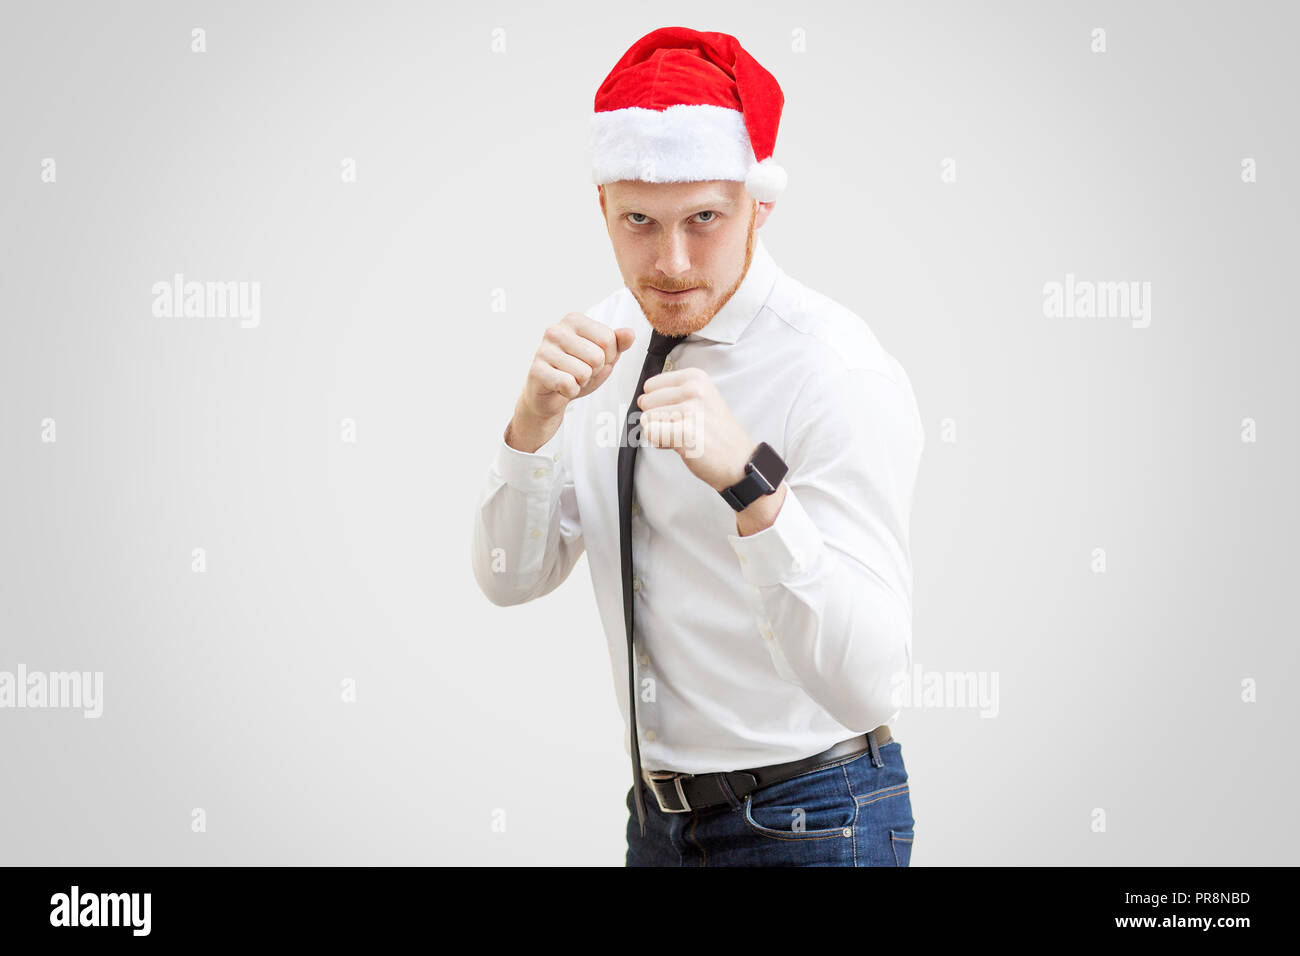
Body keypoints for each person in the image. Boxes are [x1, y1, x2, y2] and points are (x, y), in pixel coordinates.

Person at [471, 26, 924, 866]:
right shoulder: (600, 344)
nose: (671, 261)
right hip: (657, 824)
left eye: (704, 219)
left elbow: (871, 683)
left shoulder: (833, 368)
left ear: (761, 206)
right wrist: (530, 427)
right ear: (602, 209)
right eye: (639, 220)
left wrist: (753, 485)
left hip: (816, 817)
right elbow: (510, 579)